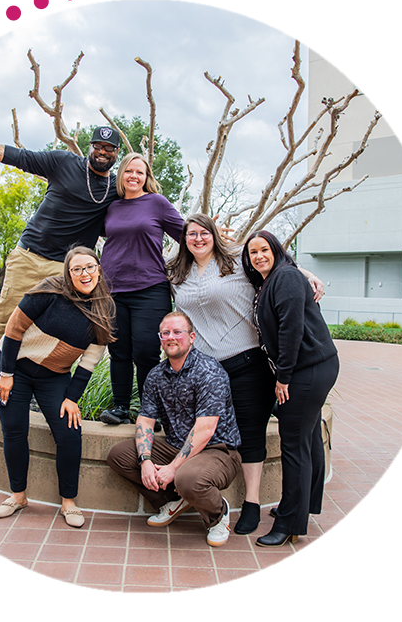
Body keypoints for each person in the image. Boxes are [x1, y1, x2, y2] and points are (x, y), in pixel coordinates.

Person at [0, 115, 121, 413]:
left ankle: (35, 386)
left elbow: (138, 212)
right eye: (98, 144)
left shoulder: (115, 189)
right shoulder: (62, 163)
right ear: (90, 147)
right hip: (30, 256)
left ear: (116, 153)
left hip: (66, 270)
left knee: (54, 330)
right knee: (5, 320)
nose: (102, 151)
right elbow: (17, 156)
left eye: (109, 148)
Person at [166, 213, 325, 536]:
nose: (198, 238)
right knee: (208, 434)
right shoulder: (175, 271)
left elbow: (272, 261)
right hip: (206, 369)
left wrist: (305, 272)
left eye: (204, 233)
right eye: (191, 234)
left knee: (251, 434)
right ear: (183, 239)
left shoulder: (236, 262)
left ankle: (251, 502)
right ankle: (207, 498)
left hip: (246, 362)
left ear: (214, 235)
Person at [0, 246, 115, 528]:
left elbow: (89, 361)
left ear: (98, 269)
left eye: (89, 267)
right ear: (68, 273)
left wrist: (72, 397)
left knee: (70, 434)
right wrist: (7, 373)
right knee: (14, 431)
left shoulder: (105, 307)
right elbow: (13, 329)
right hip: (14, 366)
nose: (84, 274)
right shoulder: (49, 290)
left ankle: (68, 502)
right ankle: (18, 496)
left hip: (54, 376)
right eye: (77, 269)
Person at [106, 311, 242, 547]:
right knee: (119, 456)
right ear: (160, 339)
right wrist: (145, 459)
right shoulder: (157, 375)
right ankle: (172, 502)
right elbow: (146, 421)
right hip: (174, 446)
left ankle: (218, 514)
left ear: (192, 337)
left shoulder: (209, 371)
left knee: (187, 477)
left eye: (178, 332)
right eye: (165, 333)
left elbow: (205, 430)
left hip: (217, 450)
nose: (171, 337)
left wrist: (172, 468)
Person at [241, 230, 339, 547]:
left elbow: (292, 328)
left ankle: (289, 523)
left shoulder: (285, 277)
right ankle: (301, 507)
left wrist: (283, 377)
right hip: (308, 366)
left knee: (293, 443)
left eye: (264, 249)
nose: (258, 256)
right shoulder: (271, 280)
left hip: (307, 369)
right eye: (252, 252)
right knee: (308, 437)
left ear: (276, 250)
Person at [98, 152, 184, 425]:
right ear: (120, 175)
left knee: (146, 351)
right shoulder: (111, 206)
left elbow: (187, 235)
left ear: (147, 178)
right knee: (119, 351)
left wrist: (222, 247)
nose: (134, 176)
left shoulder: (156, 203)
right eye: (129, 171)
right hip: (113, 290)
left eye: (140, 172)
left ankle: (151, 411)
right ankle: (121, 407)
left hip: (150, 287)